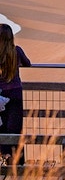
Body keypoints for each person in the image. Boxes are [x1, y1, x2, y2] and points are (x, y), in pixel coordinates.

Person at [0, 23, 31, 165]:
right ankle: (17, 159)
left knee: (2, 126)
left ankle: (5, 155)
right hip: (15, 93)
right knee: (15, 127)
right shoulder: (16, 51)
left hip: (1, 95)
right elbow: (28, 63)